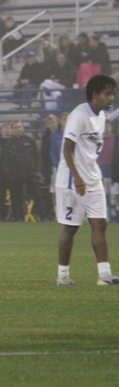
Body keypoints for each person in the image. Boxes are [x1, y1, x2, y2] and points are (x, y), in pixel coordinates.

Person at [55, 75, 119, 286]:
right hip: (73, 181)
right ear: (95, 95)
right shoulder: (79, 114)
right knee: (71, 227)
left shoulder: (101, 117)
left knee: (100, 223)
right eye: (107, 94)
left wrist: (91, 174)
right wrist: (77, 177)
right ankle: (63, 275)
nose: (112, 98)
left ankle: (105, 275)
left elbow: (90, 150)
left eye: (113, 94)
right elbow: (67, 147)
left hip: (92, 179)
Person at [1, 120, 39, 222]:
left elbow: (37, 157)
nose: (18, 129)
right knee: (16, 198)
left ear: (23, 128)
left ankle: (43, 216)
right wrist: (9, 173)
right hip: (15, 176)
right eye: (16, 127)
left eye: (20, 127)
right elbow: (5, 160)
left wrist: (35, 170)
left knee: (36, 196)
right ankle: (19, 217)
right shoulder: (9, 144)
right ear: (13, 130)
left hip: (30, 174)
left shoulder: (30, 141)